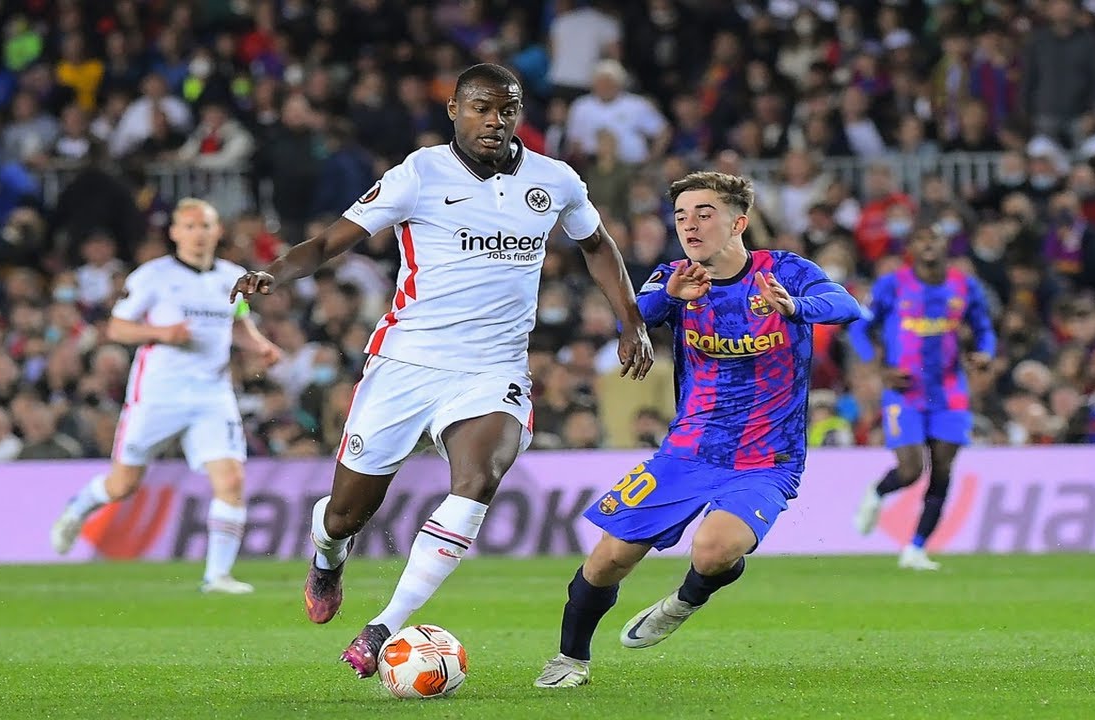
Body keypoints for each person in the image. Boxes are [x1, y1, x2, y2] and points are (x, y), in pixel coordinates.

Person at [229, 63, 653, 679]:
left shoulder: (554, 179)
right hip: (407, 364)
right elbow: (327, 243)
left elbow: (595, 244)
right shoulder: (419, 174)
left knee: (478, 478)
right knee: (345, 514)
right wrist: (275, 272)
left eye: (507, 109)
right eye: (481, 108)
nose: (495, 120)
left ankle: (384, 626)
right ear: (454, 110)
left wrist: (631, 318)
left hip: (494, 369)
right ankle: (328, 556)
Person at [533, 171, 862, 688]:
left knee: (713, 551)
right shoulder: (674, 275)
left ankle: (685, 600)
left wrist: (795, 307)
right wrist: (669, 296)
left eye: (704, 214)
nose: (689, 225)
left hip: (765, 458)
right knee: (608, 560)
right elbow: (632, 318)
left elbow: (846, 304)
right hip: (687, 451)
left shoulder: (784, 271)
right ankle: (570, 659)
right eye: (682, 216)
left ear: (738, 223)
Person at [50, 198, 282, 593]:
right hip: (158, 394)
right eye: (189, 226)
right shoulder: (152, 276)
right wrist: (161, 333)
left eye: (205, 226)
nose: (198, 234)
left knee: (231, 479)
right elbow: (117, 328)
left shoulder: (232, 277)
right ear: (174, 233)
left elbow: (238, 323)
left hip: (213, 393)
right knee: (123, 485)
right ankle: (78, 508)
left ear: (217, 231)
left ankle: (217, 576)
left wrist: (260, 346)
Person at [848, 225, 996, 570]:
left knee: (943, 468)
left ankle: (915, 549)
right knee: (911, 470)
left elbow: (984, 328)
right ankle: (878, 492)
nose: (928, 244)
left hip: (949, 392)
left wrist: (985, 353)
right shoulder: (892, 285)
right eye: (921, 238)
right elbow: (859, 327)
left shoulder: (964, 286)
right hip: (905, 391)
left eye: (934, 238)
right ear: (911, 247)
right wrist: (879, 368)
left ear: (946, 244)